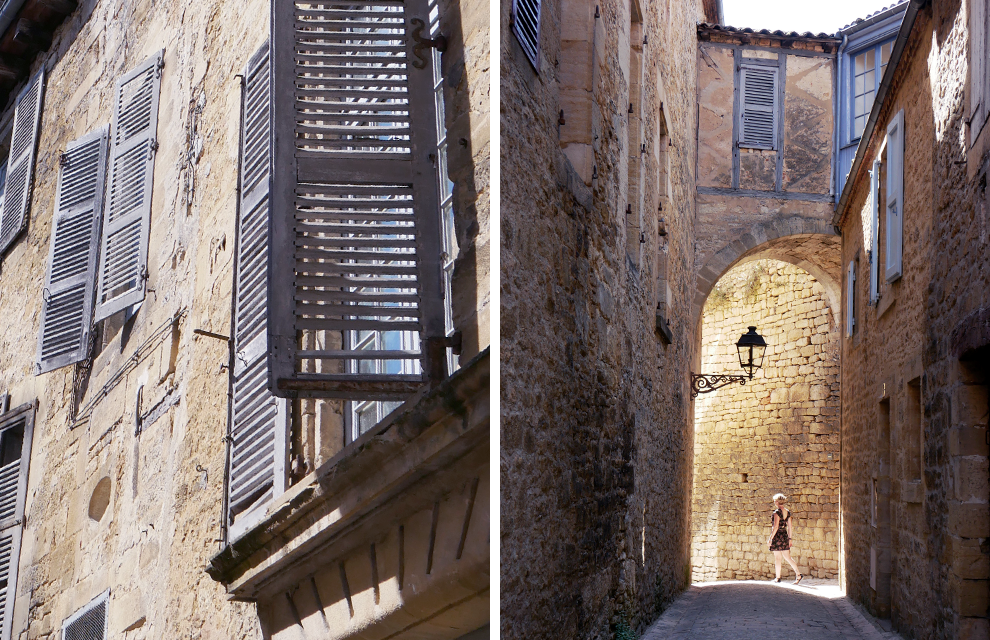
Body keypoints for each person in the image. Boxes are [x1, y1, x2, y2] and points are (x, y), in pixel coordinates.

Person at [767, 493, 802, 584]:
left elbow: (775, 527)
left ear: (777, 502)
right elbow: (790, 527)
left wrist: (770, 539)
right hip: (785, 535)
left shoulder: (776, 513)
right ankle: (798, 574)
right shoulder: (787, 512)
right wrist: (790, 538)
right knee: (788, 557)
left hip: (777, 536)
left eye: (775, 501)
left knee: (778, 558)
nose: (774, 502)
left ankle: (778, 578)